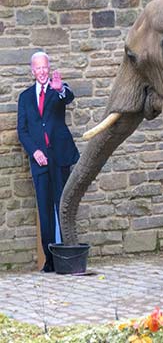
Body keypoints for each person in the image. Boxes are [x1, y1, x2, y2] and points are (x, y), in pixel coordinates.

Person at [16, 51, 80, 272]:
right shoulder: (24, 97)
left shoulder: (57, 89)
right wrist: (35, 152)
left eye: (45, 68)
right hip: (40, 160)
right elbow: (22, 131)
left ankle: (68, 257)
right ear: (32, 71)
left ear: (49, 69)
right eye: (38, 68)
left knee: (62, 205)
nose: (42, 72)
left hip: (60, 156)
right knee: (45, 210)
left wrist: (60, 89)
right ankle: (50, 261)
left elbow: (68, 95)